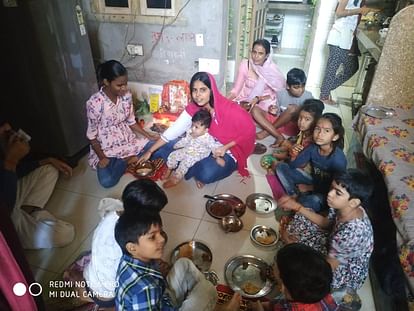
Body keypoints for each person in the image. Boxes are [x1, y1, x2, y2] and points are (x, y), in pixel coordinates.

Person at [138, 72, 256, 189]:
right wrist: (150, 151)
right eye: (194, 90)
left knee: (205, 173)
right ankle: (187, 166)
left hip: (227, 151)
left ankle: (188, 168)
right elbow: (173, 131)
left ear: (212, 90)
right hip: (199, 146)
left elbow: (249, 130)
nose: (198, 95)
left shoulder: (228, 109)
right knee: (154, 146)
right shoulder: (194, 108)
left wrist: (225, 147)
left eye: (203, 90)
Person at [63, 179, 168, 309]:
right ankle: (87, 294)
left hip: (93, 274)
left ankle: (82, 287)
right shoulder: (122, 242)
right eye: (154, 213)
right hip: (107, 295)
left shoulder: (115, 214)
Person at [278, 169, 374, 310]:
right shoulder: (343, 208)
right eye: (332, 188)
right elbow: (327, 224)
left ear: (353, 202)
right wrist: (297, 206)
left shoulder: (352, 232)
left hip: (341, 271)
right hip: (334, 246)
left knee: (299, 267)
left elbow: (327, 269)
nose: (329, 194)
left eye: (338, 193)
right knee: (301, 217)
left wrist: (292, 245)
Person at [114, 208, 218, 311]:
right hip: (156, 299)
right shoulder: (146, 289)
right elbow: (146, 291)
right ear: (132, 247)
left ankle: (202, 300)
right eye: (152, 237)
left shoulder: (128, 258)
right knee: (208, 289)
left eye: (160, 232)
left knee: (183, 263)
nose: (162, 239)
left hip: (161, 300)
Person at [0, 120, 75, 249]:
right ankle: (23, 228)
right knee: (65, 234)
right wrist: (11, 161)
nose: (12, 136)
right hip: (5, 219)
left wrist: (47, 160)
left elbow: (15, 173)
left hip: (8, 193)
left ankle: (29, 211)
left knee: (48, 168)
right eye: (6, 134)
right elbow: (5, 211)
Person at [86, 60, 158, 188]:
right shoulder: (94, 103)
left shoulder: (126, 96)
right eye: (119, 85)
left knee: (158, 144)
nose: (124, 88)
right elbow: (92, 136)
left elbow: (131, 121)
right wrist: (102, 157)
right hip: (106, 148)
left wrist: (148, 135)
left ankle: (126, 160)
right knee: (107, 181)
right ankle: (128, 160)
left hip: (126, 140)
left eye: (125, 84)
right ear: (106, 82)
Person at [275, 113, 347, 212]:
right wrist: (293, 155)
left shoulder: (338, 160)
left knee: (313, 200)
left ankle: (299, 202)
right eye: (317, 129)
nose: (320, 134)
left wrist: (310, 187)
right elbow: (293, 165)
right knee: (281, 167)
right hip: (313, 181)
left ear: (335, 137)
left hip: (326, 193)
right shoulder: (313, 148)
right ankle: (294, 195)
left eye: (326, 131)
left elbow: (336, 189)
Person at [319, 0, 379, 105]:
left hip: (346, 36)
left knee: (351, 67)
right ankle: (324, 95)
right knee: (334, 67)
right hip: (339, 36)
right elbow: (339, 12)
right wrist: (360, 10)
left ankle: (325, 90)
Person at [228, 38, 286, 145]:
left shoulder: (272, 70)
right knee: (232, 110)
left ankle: (278, 136)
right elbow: (236, 89)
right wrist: (225, 102)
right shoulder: (246, 64)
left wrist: (259, 99)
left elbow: (276, 93)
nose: (256, 56)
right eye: (254, 52)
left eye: (260, 53)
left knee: (254, 110)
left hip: (265, 102)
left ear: (267, 55)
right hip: (246, 99)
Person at [249, 243, 338, 311]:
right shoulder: (320, 289)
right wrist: (259, 305)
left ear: (283, 288)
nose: (272, 267)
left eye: (274, 266)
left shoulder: (287, 309)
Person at [162, 109, 224, 188]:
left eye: (196, 127)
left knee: (184, 164)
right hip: (188, 149)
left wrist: (218, 157)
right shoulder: (191, 132)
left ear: (205, 130)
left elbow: (214, 147)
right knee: (173, 155)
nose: (193, 129)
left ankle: (176, 178)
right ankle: (170, 168)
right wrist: (177, 145)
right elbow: (186, 140)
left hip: (197, 155)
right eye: (192, 125)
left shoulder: (207, 138)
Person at [261, 99, 324, 170]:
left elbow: (302, 163)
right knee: (281, 147)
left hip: (302, 165)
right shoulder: (304, 132)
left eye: (307, 119)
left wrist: (285, 155)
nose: (301, 122)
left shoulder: (313, 140)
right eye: (300, 118)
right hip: (296, 155)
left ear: (315, 121)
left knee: (278, 162)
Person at [256, 68, 314, 147]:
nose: (301, 90)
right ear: (287, 86)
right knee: (254, 109)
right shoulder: (280, 94)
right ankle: (279, 136)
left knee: (292, 108)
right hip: (280, 123)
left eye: (303, 86)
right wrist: (273, 111)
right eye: (296, 87)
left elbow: (309, 119)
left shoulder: (308, 96)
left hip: (294, 127)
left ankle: (266, 132)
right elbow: (278, 113)